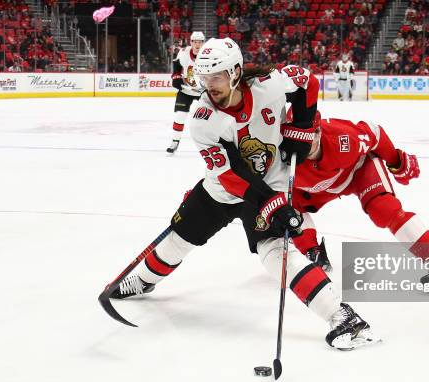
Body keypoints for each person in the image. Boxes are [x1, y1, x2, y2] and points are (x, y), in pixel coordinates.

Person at [107, 37, 378, 350]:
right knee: (178, 237)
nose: (209, 85)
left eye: (216, 76)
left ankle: (342, 317)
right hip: (222, 189)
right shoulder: (203, 120)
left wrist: (301, 130)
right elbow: (232, 175)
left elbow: (307, 82)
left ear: (235, 71)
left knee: (276, 252)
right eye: (204, 77)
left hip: (272, 180)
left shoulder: (270, 86)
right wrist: (272, 204)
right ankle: (142, 280)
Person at [289, 111, 429, 284]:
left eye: (309, 136)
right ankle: (312, 253)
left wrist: (396, 161)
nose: (304, 144)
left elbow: (375, 134)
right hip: (313, 191)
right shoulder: (276, 155)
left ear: (319, 131)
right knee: (284, 207)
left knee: (384, 209)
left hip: (357, 170)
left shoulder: (342, 137)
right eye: (296, 138)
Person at [166, 31, 206, 154]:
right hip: (186, 90)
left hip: (203, 91)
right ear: (191, 42)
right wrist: (176, 79)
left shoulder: (209, 55)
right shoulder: (183, 53)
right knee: (180, 115)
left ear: (203, 43)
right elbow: (177, 69)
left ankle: (212, 142)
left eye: (200, 42)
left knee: (210, 118)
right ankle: (175, 141)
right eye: (195, 42)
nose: (197, 44)